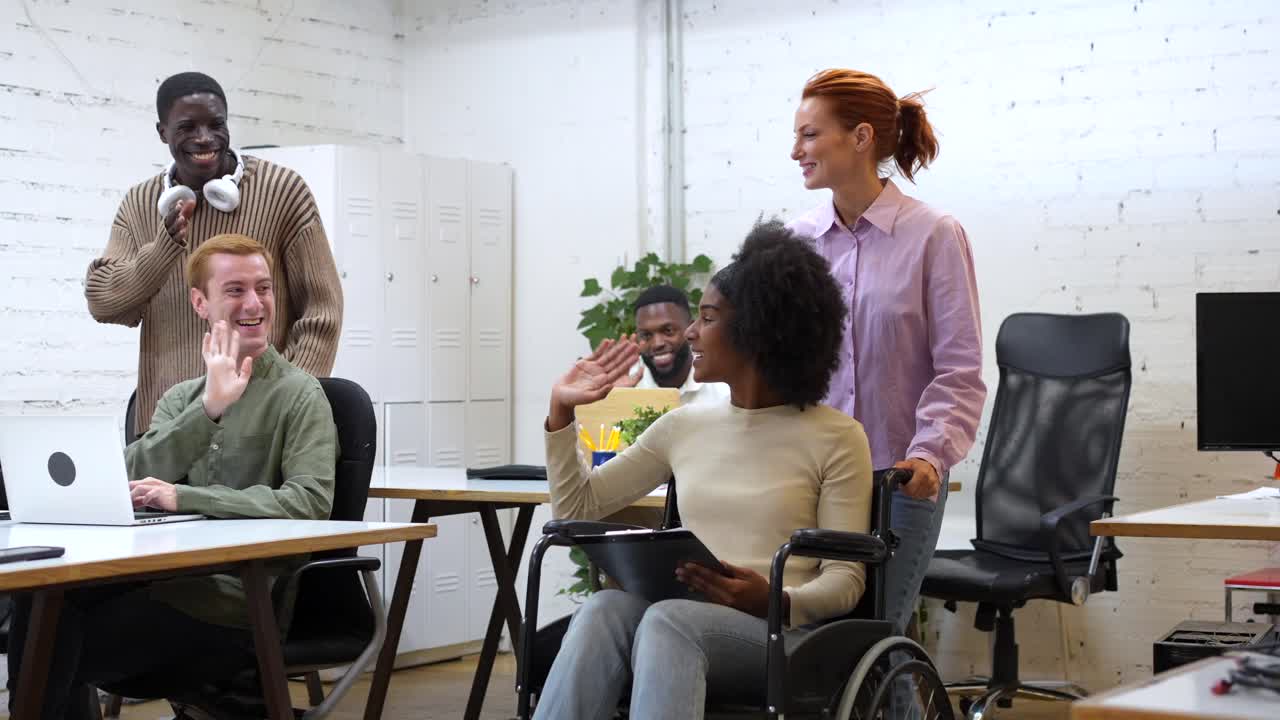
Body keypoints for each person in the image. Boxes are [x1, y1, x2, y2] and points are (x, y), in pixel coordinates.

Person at [534, 221, 872, 719]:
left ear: (757, 331)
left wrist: (775, 599)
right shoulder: (682, 426)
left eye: (708, 318)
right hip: (683, 618)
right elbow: (576, 508)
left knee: (670, 621)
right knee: (605, 608)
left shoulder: (837, 437)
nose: (690, 331)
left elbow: (846, 579)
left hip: (785, 638)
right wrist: (561, 414)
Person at [8, 233, 338, 719]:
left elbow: (309, 502)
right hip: (158, 584)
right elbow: (128, 478)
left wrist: (186, 497)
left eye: (263, 288)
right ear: (200, 303)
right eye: (235, 290)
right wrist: (209, 409)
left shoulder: (301, 395)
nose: (255, 303)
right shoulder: (183, 398)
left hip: (236, 606)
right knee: (43, 603)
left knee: (52, 635)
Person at [786, 68, 986, 634]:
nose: (795, 150)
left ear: (861, 137)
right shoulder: (798, 243)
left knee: (878, 639)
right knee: (809, 642)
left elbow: (960, 368)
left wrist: (930, 454)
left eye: (808, 135)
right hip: (810, 476)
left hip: (898, 477)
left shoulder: (933, 235)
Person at [85, 71, 343, 437]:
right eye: (187, 127)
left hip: (258, 428)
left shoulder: (283, 191)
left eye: (216, 124)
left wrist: (290, 399)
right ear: (163, 133)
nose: (204, 138)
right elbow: (105, 302)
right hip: (167, 426)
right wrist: (164, 247)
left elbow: (322, 312)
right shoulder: (141, 204)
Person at [613, 285, 730, 406]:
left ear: (691, 330)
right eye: (646, 335)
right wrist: (613, 398)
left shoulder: (723, 385)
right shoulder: (626, 384)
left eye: (668, 331)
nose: (657, 344)